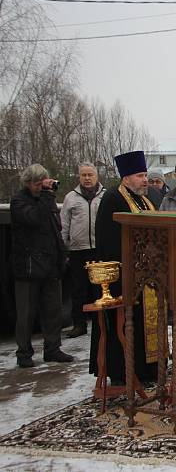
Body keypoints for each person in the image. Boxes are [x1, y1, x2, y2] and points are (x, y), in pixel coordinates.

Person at [92, 151, 158, 384]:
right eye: (140, 175)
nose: (145, 180)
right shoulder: (113, 199)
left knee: (145, 323)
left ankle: (148, 369)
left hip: (148, 274)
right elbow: (109, 241)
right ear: (126, 177)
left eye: (146, 175)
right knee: (127, 323)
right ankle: (123, 371)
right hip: (123, 276)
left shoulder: (145, 200)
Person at [11, 164, 74, 368]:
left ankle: (52, 348)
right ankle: (24, 352)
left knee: (53, 311)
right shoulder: (19, 201)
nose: (42, 187)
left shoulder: (46, 202)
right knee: (26, 314)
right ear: (28, 183)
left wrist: (63, 254)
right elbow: (35, 219)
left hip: (51, 265)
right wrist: (48, 195)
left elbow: (56, 230)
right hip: (28, 268)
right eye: (38, 183)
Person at [60, 162, 105, 338]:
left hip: (98, 249)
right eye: (83, 175)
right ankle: (78, 324)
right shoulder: (71, 197)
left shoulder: (105, 196)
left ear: (96, 176)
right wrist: (64, 248)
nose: (87, 178)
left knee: (99, 289)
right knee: (78, 289)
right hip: (78, 250)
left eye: (90, 175)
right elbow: (64, 224)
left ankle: (99, 323)